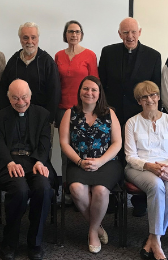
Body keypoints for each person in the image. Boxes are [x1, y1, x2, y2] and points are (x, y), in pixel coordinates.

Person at [98, 17, 161, 217]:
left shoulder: (153, 55)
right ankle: (113, 199)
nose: (130, 36)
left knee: (141, 155)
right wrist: (106, 112)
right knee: (114, 157)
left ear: (140, 32)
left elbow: (154, 89)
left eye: (133, 32)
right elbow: (102, 85)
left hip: (140, 116)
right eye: (125, 32)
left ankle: (140, 201)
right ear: (119, 34)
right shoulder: (108, 52)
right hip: (114, 115)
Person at [0, 80, 54, 260]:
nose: (20, 102)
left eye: (24, 97)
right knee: (19, 190)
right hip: (9, 162)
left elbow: (45, 142)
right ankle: (9, 241)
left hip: (35, 161)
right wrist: (9, 162)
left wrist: (39, 161)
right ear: (8, 98)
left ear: (30, 95)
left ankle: (35, 243)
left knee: (44, 188)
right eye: (15, 98)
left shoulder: (42, 114)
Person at [59, 76, 122, 254]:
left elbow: (117, 143)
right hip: (78, 162)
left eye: (94, 89)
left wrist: (101, 161)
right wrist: (79, 161)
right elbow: (64, 143)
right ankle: (98, 226)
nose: (89, 93)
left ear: (99, 93)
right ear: (80, 92)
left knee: (100, 191)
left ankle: (93, 231)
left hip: (107, 162)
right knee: (77, 189)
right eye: (86, 89)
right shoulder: (70, 113)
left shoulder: (109, 113)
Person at [124, 81, 168, 260]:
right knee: (157, 186)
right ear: (139, 101)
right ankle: (157, 245)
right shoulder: (131, 123)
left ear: (158, 97)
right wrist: (149, 166)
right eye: (144, 97)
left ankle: (154, 238)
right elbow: (130, 156)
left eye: (153, 95)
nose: (149, 99)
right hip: (140, 168)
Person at [0, 22, 61, 123]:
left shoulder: (47, 62)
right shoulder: (14, 61)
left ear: (38, 39)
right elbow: (3, 89)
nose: (30, 41)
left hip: (41, 119)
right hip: (14, 118)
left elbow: (54, 93)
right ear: (20, 39)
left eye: (33, 37)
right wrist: (5, 115)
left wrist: (48, 119)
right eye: (25, 38)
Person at [54, 20, 99, 126]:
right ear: (66, 34)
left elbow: (95, 83)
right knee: (64, 141)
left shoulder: (90, 55)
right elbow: (55, 83)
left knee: (81, 142)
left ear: (81, 35)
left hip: (83, 107)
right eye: (70, 31)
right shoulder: (58, 55)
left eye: (77, 32)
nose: (74, 35)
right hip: (62, 107)